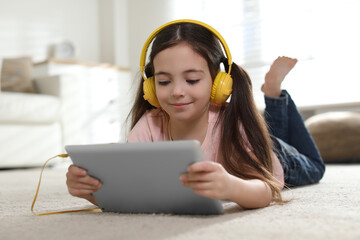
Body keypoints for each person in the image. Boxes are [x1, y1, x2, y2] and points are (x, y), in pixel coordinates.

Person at [66, 20, 325, 209]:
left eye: (191, 80)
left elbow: (268, 188)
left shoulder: (233, 123)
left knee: (315, 166)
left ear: (217, 83)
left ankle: (274, 95)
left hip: (270, 155)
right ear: (150, 88)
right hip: (252, 141)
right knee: (267, 131)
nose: (177, 91)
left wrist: (232, 186)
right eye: (164, 82)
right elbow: (131, 190)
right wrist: (92, 190)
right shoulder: (149, 124)